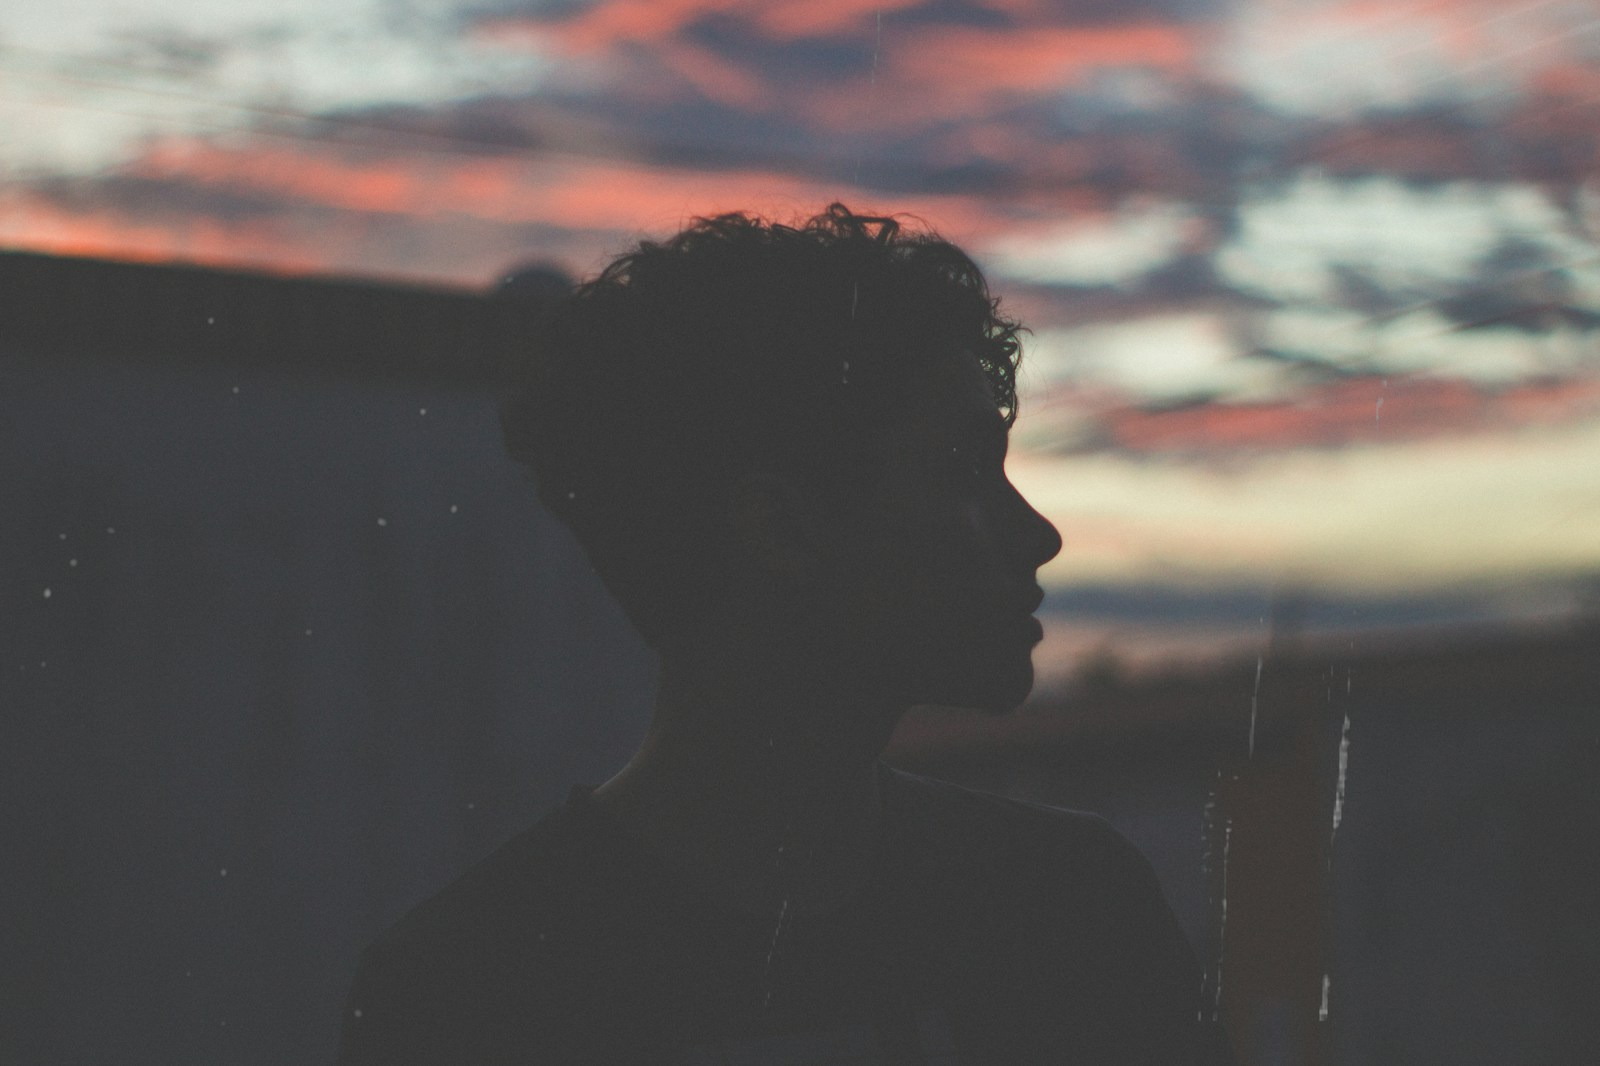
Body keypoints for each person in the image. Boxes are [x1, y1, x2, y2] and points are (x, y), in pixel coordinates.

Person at [338, 204, 1233, 1065]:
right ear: (782, 528)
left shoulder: (1074, 909)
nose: (1039, 534)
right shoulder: (475, 1001)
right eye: (961, 470)